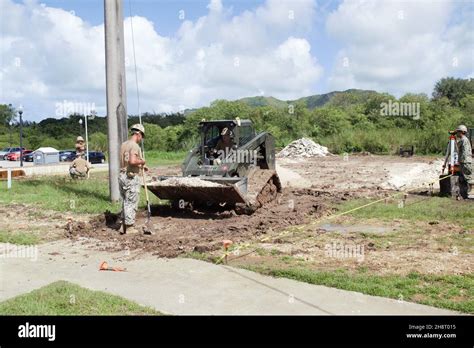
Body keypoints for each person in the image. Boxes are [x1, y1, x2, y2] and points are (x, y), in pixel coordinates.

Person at [118, 124, 148, 234]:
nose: (141, 139)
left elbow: (126, 162)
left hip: (122, 176)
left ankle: (123, 225)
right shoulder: (134, 146)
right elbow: (132, 161)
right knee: (131, 202)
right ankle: (129, 227)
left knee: (125, 201)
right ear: (138, 134)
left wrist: (141, 167)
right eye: (142, 136)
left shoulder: (123, 145)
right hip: (130, 177)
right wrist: (142, 162)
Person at [455, 125, 473, 199]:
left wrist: (453, 138)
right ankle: (464, 195)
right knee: (463, 179)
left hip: (465, 162)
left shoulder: (463, 140)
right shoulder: (465, 139)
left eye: (458, 132)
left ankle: (471, 191)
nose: (457, 133)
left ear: (462, 132)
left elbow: (456, 147)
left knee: (468, 178)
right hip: (465, 161)